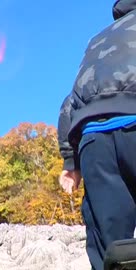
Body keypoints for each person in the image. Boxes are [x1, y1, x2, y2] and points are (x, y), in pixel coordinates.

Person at [58, 1, 136, 269]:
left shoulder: (98, 39)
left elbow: (68, 103)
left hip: (93, 142)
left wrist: (71, 163)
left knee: (110, 249)